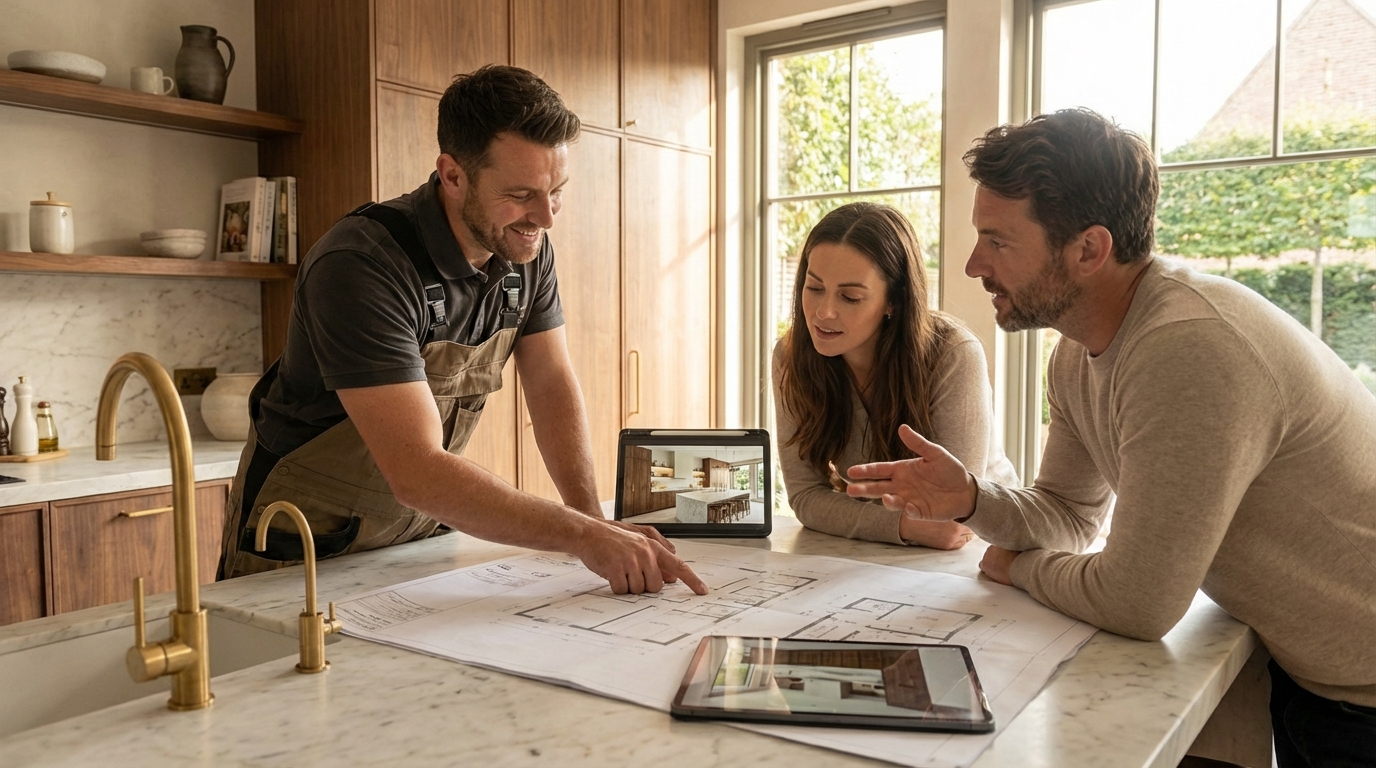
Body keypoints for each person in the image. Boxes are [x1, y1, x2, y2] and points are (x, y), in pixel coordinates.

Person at [844, 108, 1376, 763]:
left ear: (1089, 250)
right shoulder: (1076, 352)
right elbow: (1068, 515)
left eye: (997, 241)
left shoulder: (1187, 348)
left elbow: (1139, 603)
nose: (974, 264)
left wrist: (1020, 567)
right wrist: (972, 500)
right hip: (1315, 676)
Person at [218, 65, 706, 597]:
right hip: (303, 547)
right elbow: (416, 469)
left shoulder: (524, 247)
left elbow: (550, 382)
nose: (545, 217)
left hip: (416, 536)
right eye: (521, 194)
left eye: (556, 191)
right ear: (452, 175)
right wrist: (582, 535)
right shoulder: (360, 265)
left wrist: (592, 517)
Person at [772, 202, 1018, 549]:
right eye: (814, 288)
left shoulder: (953, 353)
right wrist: (903, 526)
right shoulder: (791, 355)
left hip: (989, 544)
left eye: (850, 297)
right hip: (885, 547)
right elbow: (805, 496)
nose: (824, 312)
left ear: (894, 301)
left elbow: (952, 520)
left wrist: (859, 518)